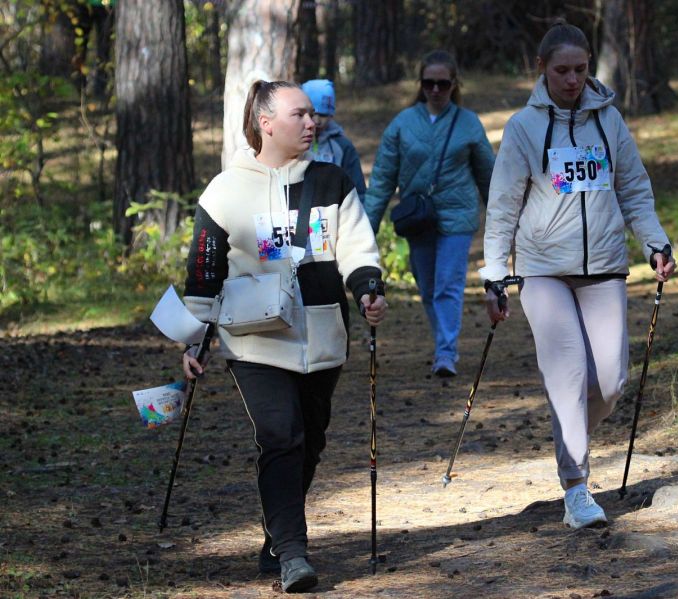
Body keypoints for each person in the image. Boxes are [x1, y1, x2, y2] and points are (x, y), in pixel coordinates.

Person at [181, 80, 387, 593]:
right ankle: (294, 553)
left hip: (322, 337)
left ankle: (276, 539)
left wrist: (368, 289)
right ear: (266, 122)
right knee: (280, 437)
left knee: (309, 442)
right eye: (299, 115)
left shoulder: (331, 181)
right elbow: (203, 271)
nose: (311, 123)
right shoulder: (226, 189)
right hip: (254, 339)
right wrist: (193, 337)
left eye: (313, 115)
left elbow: (358, 246)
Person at [480, 22, 676, 530]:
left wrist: (655, 241)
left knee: (609, 382)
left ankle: (571, 440)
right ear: (541, 69)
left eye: (580, 69)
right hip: (543, 271)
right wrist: (495, 273)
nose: (572, 80)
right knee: (567, 376)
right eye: (562, 70)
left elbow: (634, 188)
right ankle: (576, 487)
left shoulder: (610, 122)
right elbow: (503, 204)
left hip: (605, 266)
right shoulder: (524, 127)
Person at [365, 50, 495, 377]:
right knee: (427, 286)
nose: (435, 90)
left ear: (454, 84)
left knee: (448, 285)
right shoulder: (402, 124)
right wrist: (366, 228)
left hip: (457, 217)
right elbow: (382, 179)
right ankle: (443, 342)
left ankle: (446, 353)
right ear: (420, 84)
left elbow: (488, 175)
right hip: (418, 219)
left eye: (442, 84)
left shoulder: (468, 123)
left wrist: (504, 220)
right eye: (428, 83)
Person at [300, 78, 367, 202]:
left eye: (324, 115)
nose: (318, 121)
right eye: (313, 114)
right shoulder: (292, 143)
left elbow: (358, 189)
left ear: (332, 114)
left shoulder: (342, 146)